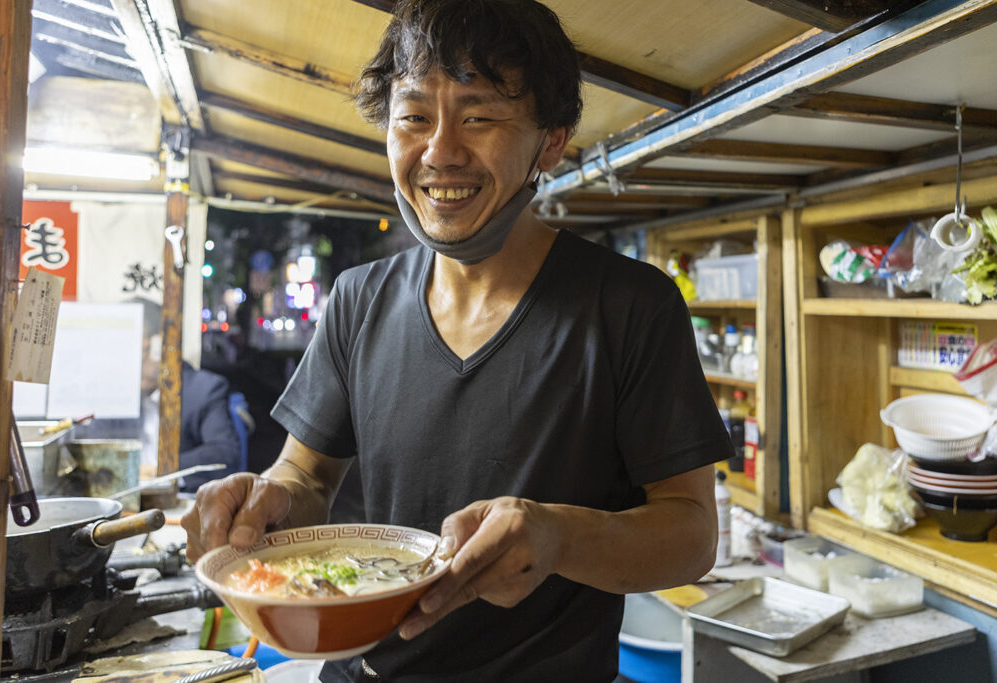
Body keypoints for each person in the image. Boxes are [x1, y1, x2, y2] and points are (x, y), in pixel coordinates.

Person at [183, 0, 732, 680]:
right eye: (413, 118)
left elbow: (691, 533)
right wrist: (265, 497)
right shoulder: (358, 299)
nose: (440, 152)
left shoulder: (630, 305)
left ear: (551, 141)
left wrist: (559, 536)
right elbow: (308, 475)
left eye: (479, 118)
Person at [82, 298, 242, 491]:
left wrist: (161, 470)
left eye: (136, 350)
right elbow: (92, 451)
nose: (126, 362)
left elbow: (225, 454)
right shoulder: (115, 394)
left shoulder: (204, 390)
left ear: (159, 346)